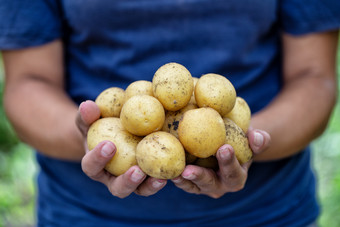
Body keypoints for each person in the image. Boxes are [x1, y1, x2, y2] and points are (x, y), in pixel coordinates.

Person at [0, 0, 339, 226]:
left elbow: (315, 78)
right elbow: (28, 82)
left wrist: (245, 143)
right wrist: (92, 139)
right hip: (86, 214)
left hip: (265, 212)